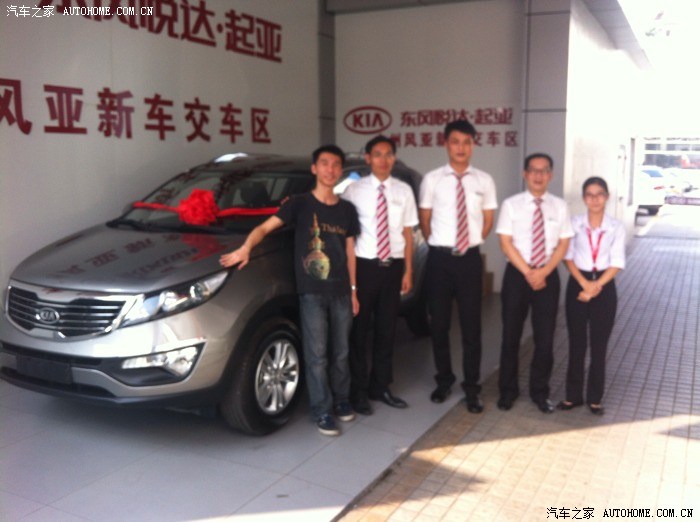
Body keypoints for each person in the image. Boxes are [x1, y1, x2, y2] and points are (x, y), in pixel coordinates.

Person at [219, 145, 360, 436]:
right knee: (317, 354)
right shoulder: (299, 204)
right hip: (312, 292)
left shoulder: (347, 210)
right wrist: (246, 248)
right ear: (315, 169)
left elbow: (350, 252)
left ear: (340, 170)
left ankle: (342, 401)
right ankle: (322, 410)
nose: (330, 169)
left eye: (335, 164)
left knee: (342, 352)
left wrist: (354, 290)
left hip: (342, 292)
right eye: (324, 163)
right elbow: (264, 228)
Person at [418, 120, 498, 413]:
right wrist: (440, 244)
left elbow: (487, 222)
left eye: (466, 142)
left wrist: (469, 242)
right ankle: (444, 379)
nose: (461, 148)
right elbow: (425, 219)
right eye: (455, 142)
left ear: (473, 145)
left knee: (471, 328)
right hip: (439, 260)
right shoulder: (432, 180)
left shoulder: (484, 181)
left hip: (469, 261)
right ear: (446, 144)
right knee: (439, 325)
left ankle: (472, 388)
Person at [341, 135, 418, 414]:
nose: (383, 160)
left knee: (387, 330)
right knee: (359, 331)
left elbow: (408, 235)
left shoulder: (403, 191)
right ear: (368, 158)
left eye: (388, 154)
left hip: (393, 267)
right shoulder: (353, 190)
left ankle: (381, 386)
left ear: (394, 158)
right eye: (377, 154)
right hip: (364, 267)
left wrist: (408, 270)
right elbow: (343, 231)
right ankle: (358, 391)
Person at [496, 153, 573, 413]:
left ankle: (540, 392)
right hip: (517, 275)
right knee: (510, 335)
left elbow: (564, 243)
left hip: (548, 275)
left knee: (545, 339)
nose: (538, 175)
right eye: (533, 170)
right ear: (525, 174)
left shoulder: (560, 206)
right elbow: (505, 242)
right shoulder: (511, 205)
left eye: (544, 170)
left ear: (551, 175)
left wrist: (544, 272)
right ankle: (507, 391)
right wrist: (529, 272)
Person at [558, 177, 625, 416]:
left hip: (605, 286)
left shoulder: (616, 227)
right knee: (576, 343)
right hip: (578, 282)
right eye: (589, 194)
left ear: (607, 197)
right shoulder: (574, 224)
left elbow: (617, 262)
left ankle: (595, 398)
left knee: (599, 345)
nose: (594, 199)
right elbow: (567, 257)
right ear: (583, 198)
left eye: (599, 194)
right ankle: (573, 396)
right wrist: (584, 284)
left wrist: (595, 286)